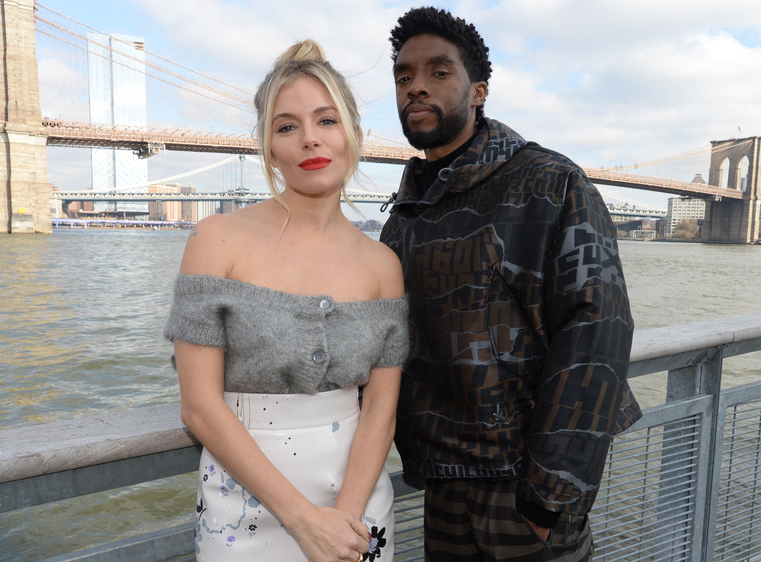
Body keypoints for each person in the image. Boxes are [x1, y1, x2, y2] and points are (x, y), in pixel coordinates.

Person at [379, 7, 643, 561]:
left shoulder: (550, 183)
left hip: (525, 493)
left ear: (479, 90)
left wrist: (550, 497)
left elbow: (598, 330)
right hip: (443, 484)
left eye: (438, 72)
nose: (416, 87)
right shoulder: (404, 216)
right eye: (404, 77)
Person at [164, 39, 407, 562]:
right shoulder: (216, 240)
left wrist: (344, 517)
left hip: (357, 506)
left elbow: (381, 409)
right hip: (243, 505)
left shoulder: (383, 264)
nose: (309, 140)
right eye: (287, 126)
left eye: (326, 120)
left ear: (354, 135)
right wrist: (303, 521)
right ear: (269, 146)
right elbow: (200, 406)